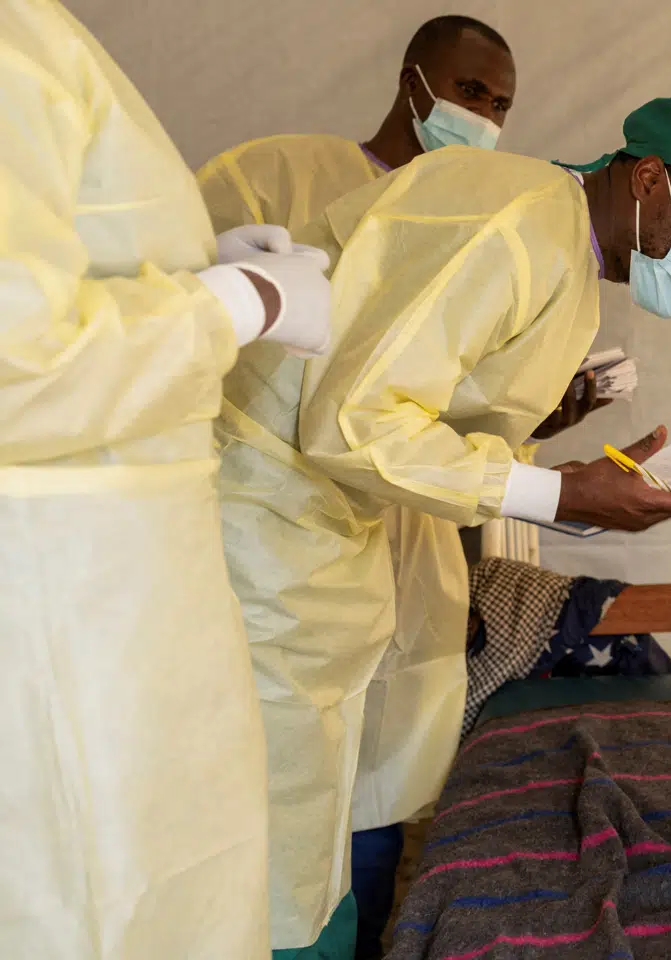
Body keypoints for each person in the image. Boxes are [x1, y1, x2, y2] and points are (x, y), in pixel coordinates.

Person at [216, 90, 671, 957]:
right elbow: (354, 421)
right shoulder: (515, 222)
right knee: (259, 819)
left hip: (331, 525)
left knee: (318, 802)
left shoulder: (567, 255)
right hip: (265, 520)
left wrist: (565, 468)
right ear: (647, 179)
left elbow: (433, 413)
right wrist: (563, 496)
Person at [194, 19, 543, 955]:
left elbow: (443, 418)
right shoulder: (280, 174)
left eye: (502, 105)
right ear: (414, 78)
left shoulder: (477, 224)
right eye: (472, 93)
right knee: (265, 798)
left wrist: (550, 419)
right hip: (267, 547)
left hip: (403, 559)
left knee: (378, 795)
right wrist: (241, 294)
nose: (487, 117)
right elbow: (175, 315)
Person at [0, 1, 334, 957]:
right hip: (65, 607)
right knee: (96, 902)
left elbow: (50, 259)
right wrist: (240, 302)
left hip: (118, 591)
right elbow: (15, 365)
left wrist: (194, 265)